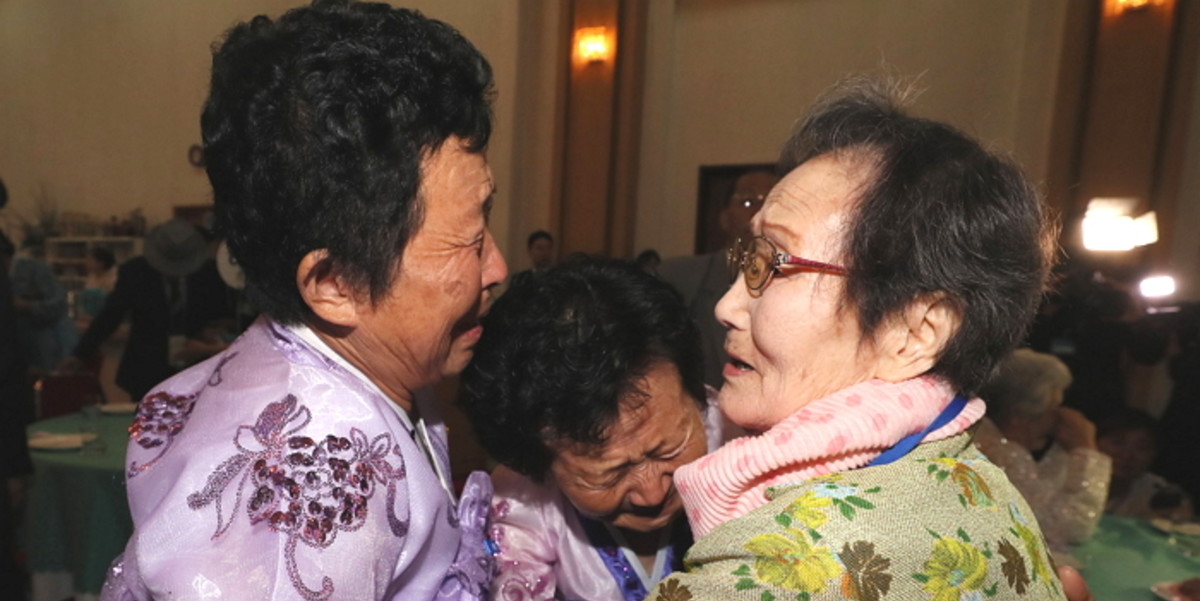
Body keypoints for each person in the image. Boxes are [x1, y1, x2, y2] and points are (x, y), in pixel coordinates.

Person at [99, 2, 505, 600]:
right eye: (468, 241)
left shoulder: (365, 364)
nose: (497, 269)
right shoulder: (313, 477)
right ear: (335, 283)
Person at [649, 76, 1069, 600]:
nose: (726, 307)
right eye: (748, 261)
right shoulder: (983, 480)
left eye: (773, 264)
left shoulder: (782, 568)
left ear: (913, 333)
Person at [457, 257, 740, 601]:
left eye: (667, 450)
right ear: (538, 465)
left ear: (695, 395)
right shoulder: (522, 504)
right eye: (609, 475)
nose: (652, 493)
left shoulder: (745, 440)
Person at [65, 220, 236, 402]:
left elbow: (217, 313)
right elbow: (111, 315)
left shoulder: (207, 271)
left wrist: (209, 334)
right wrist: (80, 354)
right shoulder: (135, 271)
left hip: (195, 366)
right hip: (146, 367)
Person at [974, 349, 1110, 555]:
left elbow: (1048, 497)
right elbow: (1073, 526)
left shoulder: (984, 437)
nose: (1059, 417)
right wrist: (1085, 448)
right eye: (1054, 408)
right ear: (1018, 415)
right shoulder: (999, 453)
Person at [658, 168, 780, 388]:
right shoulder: (678, 278)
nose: (759, 211)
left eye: (771, 202)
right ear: (724, 218)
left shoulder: (794, 285)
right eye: (748, 202)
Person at [1096, 408, 1193, 521]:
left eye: (1142, 448)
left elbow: (1181, 511)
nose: (1127, 455)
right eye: (1117, 442)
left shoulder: (1156, 493)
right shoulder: (1078, 476)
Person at [4, 237, 77, 374]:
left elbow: (59, 306)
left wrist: (27, 306)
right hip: (17, 355)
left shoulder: (34, 269)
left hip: (48, 349)